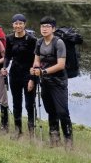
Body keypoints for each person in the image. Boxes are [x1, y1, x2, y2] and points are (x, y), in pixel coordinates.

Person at [31, 16, 73, 148]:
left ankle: (68, 141)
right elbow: (37, 59)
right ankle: (54, 138)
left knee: (62, 111)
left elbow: (61, 65)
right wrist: (35, 68)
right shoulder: (39, 42)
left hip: (59, 82)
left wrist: (43, 72)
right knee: (50, 110)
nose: (44, 29)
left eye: (47, 26)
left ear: (53, 29)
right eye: (42, 26)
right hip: (45, 82)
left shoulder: (59, 43)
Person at [4, 13, 37, 138]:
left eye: (20, 23)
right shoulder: (9, 38)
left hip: (28, 75)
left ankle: (31, 132)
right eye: (16, 23)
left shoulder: (32, 40)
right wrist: (4, 67)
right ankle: (18, 130)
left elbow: (36, 60)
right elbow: (7, 56)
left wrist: (32, 79)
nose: (18, 26)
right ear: (13, 25)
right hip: (14, 74)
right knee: (16, 103)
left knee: (29, 104)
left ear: (25, 24)